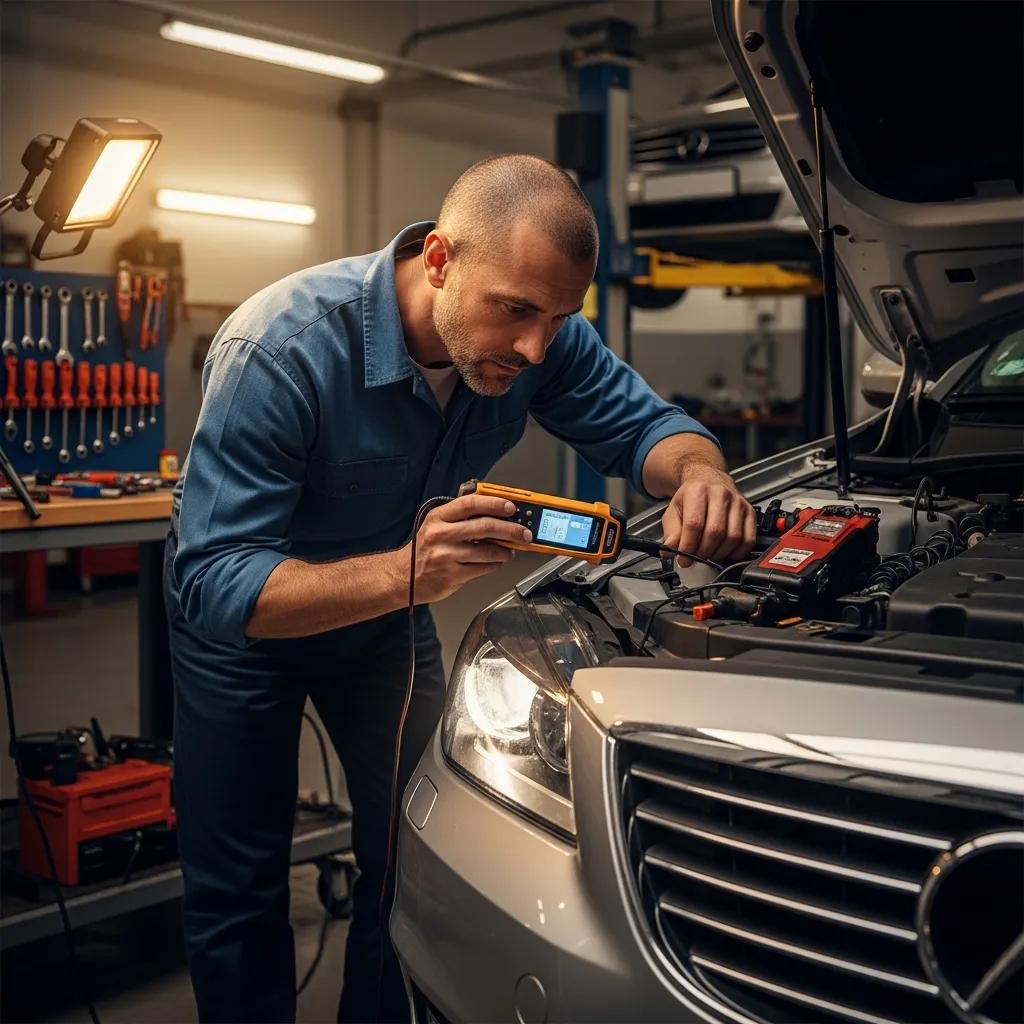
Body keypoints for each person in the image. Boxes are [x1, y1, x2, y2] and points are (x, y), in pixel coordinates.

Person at [165, 154, 755, 1023]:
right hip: (249, 634)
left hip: (385, 628)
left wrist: (701, 472)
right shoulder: (281, 350)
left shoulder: (542, 334)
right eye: (515, 311)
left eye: (559, 318)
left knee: (410, 853)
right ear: (439, 260)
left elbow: (647, 427)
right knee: (238, 885)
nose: (534, 349)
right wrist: (406, 572)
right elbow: (216, 582)